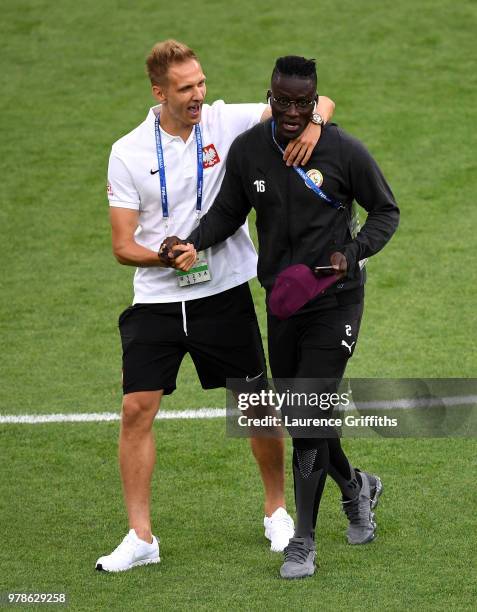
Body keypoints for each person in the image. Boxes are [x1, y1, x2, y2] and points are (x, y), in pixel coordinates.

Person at [96, 40, 336, 572]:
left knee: (254, 405)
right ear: (159, 93)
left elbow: (320, 104)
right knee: (137, 408)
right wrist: (162, 258)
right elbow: (121, 244)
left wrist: (315, 127)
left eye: (201, 82)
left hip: (223, 291)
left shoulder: (226, 121)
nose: (199, 94)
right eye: (186, 88)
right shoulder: (128, 151)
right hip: (157, 298)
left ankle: (276, 512)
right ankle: (141, 537)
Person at [168, 55, 399, 579]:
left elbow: (387, 210)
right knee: (308, 416)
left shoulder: (342, 149)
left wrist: (354, 251)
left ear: (313, 99)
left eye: (303, 102)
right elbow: (228, 211)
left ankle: (305, 541)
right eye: (283, 100)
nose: (292, 112)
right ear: (269, 95)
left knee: (303, 415)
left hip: (336, 303)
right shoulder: (250, 150)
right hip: (284, 305)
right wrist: (192, 242)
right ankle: (357, 486)